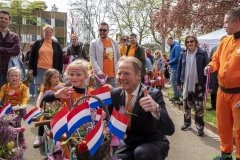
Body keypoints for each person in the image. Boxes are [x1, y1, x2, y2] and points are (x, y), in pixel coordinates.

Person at [110, 56, 175, 160]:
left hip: (153, 143)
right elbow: (107, 118)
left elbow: (170, 130)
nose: (121, 77)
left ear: (138, 75)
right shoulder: (116, 94)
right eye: (119, 73)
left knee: (141, 153)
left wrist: (156, 109)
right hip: (128, 144)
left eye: (126, 73)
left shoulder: (153, 95)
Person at [204, 8, 240, 160]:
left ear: (237, 22)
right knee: (223, 126)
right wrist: (210, 66)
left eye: (226, 22)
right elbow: (216, 60)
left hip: (238, 95)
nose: (224, 25)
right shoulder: (225, 41)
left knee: (239, 130)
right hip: (222, 92)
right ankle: (225, 155)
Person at [42, 59, 94, 159]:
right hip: (69, 130)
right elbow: (46, 97)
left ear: (87, 75)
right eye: (71, 74)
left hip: (87, 130)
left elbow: (100, 110)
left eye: (78, 75)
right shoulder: (66, 91)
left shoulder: (92, 93)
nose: (74, 77)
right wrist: (57, 94)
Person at [177, 35, 208, 136]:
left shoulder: (202, 53)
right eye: (187, 42)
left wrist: (209, 84)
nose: (189, 43)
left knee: (198, 106)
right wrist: (178, 82)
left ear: (195, 41)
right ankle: (187, 123)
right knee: (186, 104)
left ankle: (199, 127)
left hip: (198, 84)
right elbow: (179, 69)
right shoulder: (183, 54)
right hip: (185, 83)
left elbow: (208, 69)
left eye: (191, 41)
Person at [29, 25, 63, 102]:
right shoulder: (37, 43)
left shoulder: (56, 45)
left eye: (50, 32)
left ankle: (50, 107)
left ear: (52, 33)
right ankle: (38, 107)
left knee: (52, 89)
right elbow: (32, 56)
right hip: (39, 70)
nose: (48, 33)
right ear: (43, 32)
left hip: (52, 71)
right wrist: (31, 68)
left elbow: (61, 59)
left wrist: (60, 72)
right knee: (39, 90)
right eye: (46, 32)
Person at [33, 69, 63, 147]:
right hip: (47, 109)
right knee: (43, 121)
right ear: (49, 78)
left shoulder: (61, 86)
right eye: (54, 77)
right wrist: (37, 107)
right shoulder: (45, 87)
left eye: (58, 77)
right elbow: (40, 97)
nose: (57, 79)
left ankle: (57, 137)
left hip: (58, 109)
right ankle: (39, 137)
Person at [0, 67, 28, 147]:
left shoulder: (23, 87)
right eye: (11, 76)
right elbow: (0, 95)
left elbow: (25, 97)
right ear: (8, 77)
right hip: (8, 109)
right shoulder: (5, 87)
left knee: (17, 124)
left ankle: (21, 139)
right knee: (7, 124)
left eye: (16, 75)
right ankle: (9, 140)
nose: (14, 77)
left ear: (19, 77)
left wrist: (23, 104)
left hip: (19, 108)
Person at [89, 22, 120, 88]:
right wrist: (99, 72)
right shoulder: (94, 43)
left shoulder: (114, 43)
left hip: (113, 75)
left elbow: (118, 58)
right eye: (100, 30)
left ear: (108, 31)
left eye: (104, 30)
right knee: (101, 97)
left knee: (114, 96)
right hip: (100, 77)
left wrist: (118, 72)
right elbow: (92, 59)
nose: (102, 32)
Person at [0, 10, 21, 104]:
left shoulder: (14, 36)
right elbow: (13, 51)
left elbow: (16, 51)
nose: (3, 20)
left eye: (6, 18)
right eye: (1, 18)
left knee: (11, 99)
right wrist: (9, 51)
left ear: (9, 21)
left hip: (10, 73)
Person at [207, 35, 228, 111]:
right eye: (221, 40)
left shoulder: (230, 48)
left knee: (222, 89)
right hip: (214, 72)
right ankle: (213, 105)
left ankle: (222, 106)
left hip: (224, 73)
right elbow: (211, 60)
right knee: (214, 89)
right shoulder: (215, 49)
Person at [166, 37, 181, 101]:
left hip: (176, 67)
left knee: (173, 81)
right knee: (174, 81)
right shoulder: (173, 46)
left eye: (168, 42)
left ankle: (177, 96)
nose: (167, 44)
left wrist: (169, 63)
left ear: (171, 40)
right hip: (173, 67)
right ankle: (177, 95)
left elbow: (177, 57)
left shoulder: (176, 46)